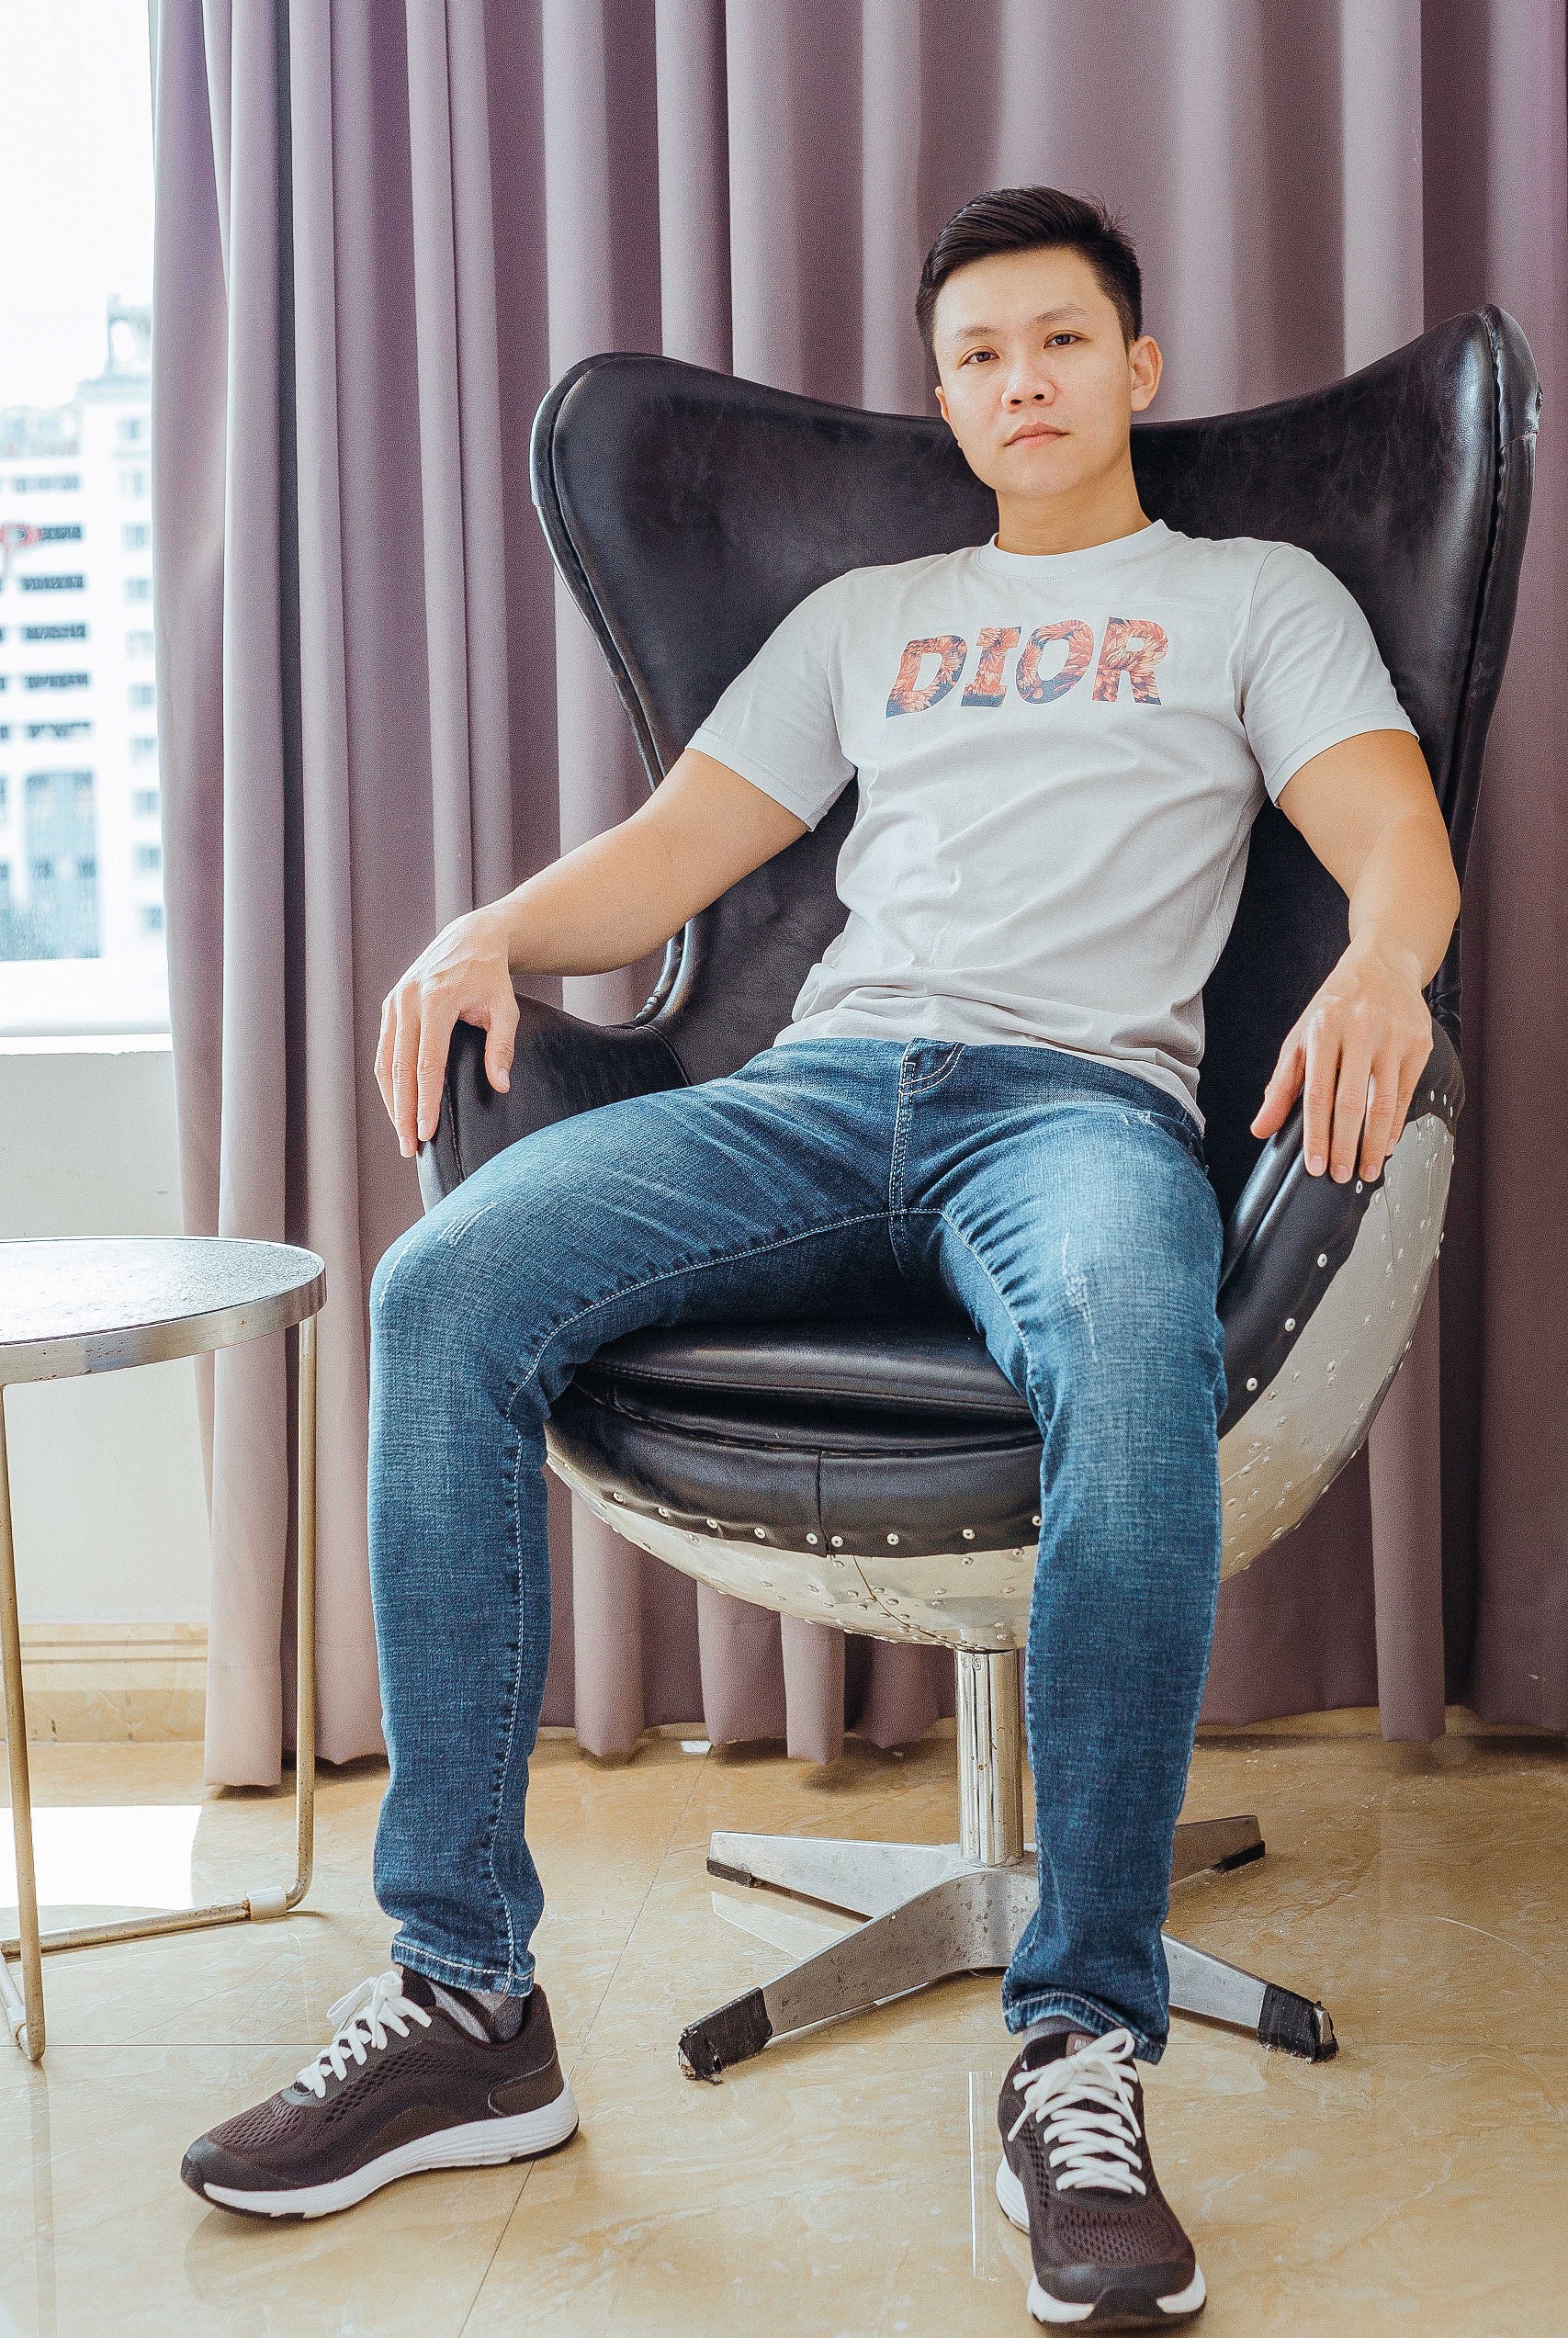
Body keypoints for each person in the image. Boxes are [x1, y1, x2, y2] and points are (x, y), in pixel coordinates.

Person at [182, 184, 1458, 2324]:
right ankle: (467, 2001)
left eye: (1058, 341)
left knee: (1131, 1360)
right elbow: (675, 854)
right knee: (442, 1287)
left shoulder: (1252, 596)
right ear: (944, 399)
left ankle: (1076, 2045)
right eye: (978, 356)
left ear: (1134, 368)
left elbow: (1388, 834)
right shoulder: (872, 618)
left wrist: (1380, 966)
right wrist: (485, 929)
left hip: (1076, 1110)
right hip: (819, 1093)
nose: (1019, 381)